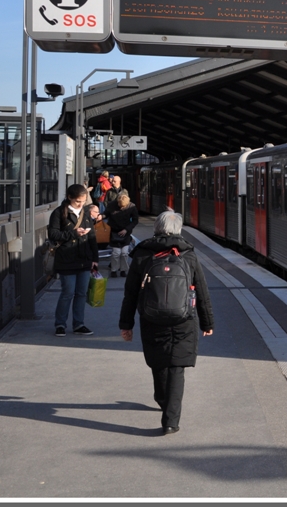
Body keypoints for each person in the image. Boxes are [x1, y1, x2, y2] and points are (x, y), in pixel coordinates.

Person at [119, 210, 214, 435]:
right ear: (178, 229)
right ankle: (171, 421)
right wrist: (207, 322)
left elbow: (131, 293)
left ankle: (162, 399)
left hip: (151, 317)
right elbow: (201, 290)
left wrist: (126, 324)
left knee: (159, 362)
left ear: (156, 228)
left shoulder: (142, 254)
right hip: (184, 318)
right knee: (176, 367)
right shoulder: (188, 254)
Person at [47, 184, 100, 337]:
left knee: (81, 293)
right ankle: (60, 324)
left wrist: (95, 259)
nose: (81, 204)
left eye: (83, 201)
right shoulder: (58, 213)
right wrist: (73, 233)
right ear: (69, 198)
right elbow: (53, 234)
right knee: (68, 292)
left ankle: (79, 324)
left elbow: (92, 238)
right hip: (66, 259)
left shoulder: (85, 213)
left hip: (84, 259)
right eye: (78, 201)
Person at [104, 189, 139, 278]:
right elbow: (106, 214)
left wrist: (126, 229)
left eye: (124, 207)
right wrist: (101, 216)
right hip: (114, 231)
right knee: (116, 253)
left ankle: (123, 270)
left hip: (126, 232)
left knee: (124, 253)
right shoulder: (112, 205)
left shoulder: (132, 207)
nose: (122, 208)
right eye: (120, 206)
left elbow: (135, 220)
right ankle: (114, 270)